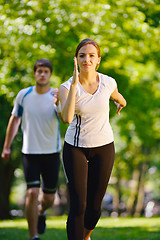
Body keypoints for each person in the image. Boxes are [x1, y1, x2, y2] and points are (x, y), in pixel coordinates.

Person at [59, 38, 127, 240]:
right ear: (76, 60)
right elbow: (66, 118)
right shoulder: (66, 87)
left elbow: (117, 95)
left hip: (104, 146)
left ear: (98, 60)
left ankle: (86, 236)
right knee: (79, 204)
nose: (86, 59)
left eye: (91, 56)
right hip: (76, 148)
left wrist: (120, 102)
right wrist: (73, 84)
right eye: (82, 55)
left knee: (95, 208)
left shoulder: (108, 82)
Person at [1, 58, 61, 240]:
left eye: (46, 71)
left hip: (52, 152)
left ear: (50, 75)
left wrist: (60, 101)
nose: (42, 74)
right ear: (35, 73)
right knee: (32, 192)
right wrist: (6, 147)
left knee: (49, 198)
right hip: (30, 152)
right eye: (39, 71)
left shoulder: (56, 95)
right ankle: (33, 236)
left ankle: (42, 211)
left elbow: (65, 117)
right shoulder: (23, 95)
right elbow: (15, 120)